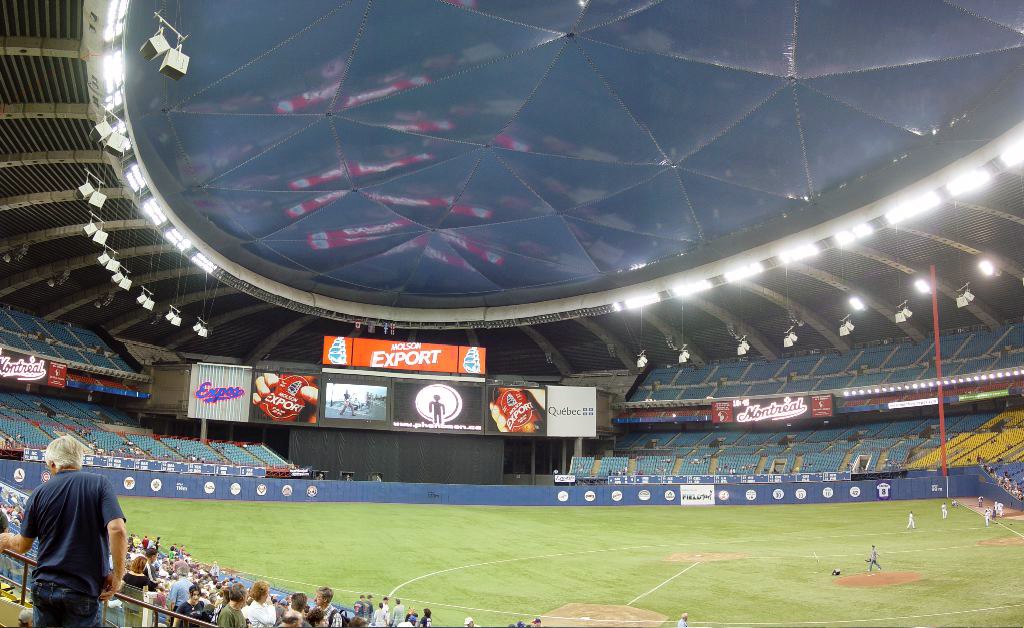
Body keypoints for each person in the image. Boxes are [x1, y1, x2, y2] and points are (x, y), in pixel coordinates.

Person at [0, 435, 127, 628]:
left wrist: (6, 539)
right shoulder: (100, 483)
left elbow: (23, 545)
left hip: (44, 587)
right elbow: (117, 530)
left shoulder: (38, 493)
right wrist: (117, 576)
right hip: (83, 589)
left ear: (52, 463)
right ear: (79, 460)